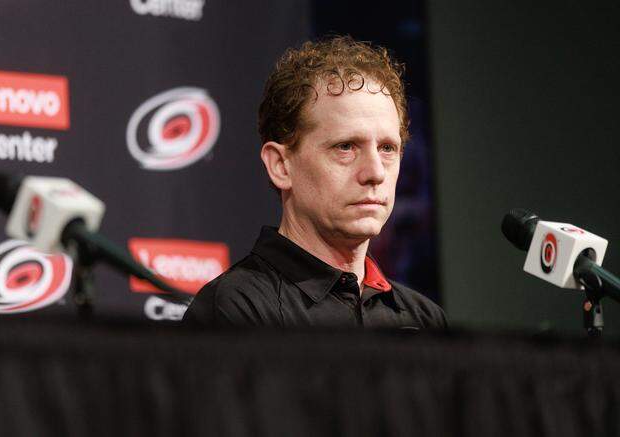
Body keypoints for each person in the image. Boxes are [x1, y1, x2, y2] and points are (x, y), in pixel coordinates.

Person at [183, 36, 446, 328]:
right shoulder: (237, 309)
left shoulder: (425, 319)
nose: (375, 172)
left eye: (387, 148)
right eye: (346, 147)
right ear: (281, 165)